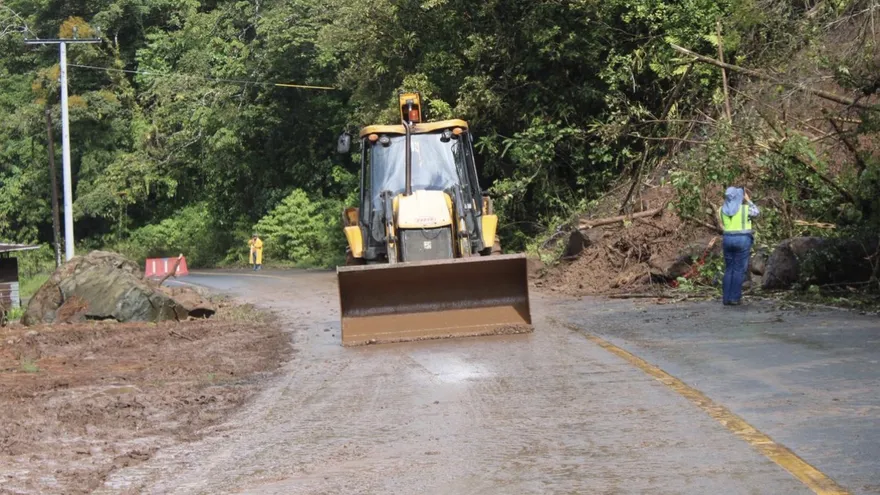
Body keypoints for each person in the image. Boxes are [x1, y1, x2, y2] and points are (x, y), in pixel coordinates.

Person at [719, 187, 759, 306]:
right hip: (742, 239)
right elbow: (757, 212)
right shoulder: (745, 209)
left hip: (727, 239)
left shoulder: (722, 209)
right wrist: (748, 200)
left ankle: (726, 299)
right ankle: (735, 298)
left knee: (729, 269)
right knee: (738, 270)